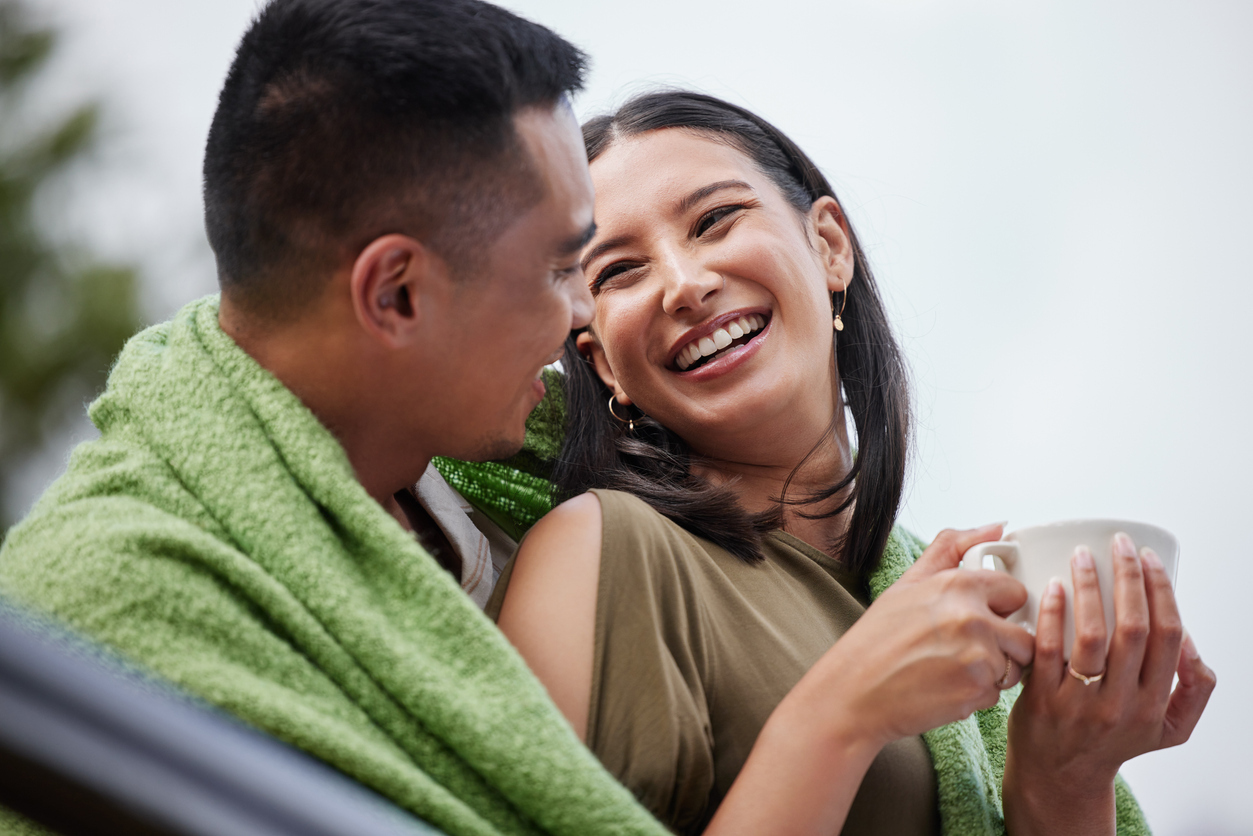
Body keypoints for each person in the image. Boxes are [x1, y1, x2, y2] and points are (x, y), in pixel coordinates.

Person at [0, 2, 678, 834]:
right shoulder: (92, 617)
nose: (581, 313)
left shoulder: (534, 489)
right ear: (395, 293)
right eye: (556, 267)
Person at [491, 91, 1217, 836]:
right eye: (617, 272)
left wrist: (1064, 780)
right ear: (602, 363)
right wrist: (844, 713)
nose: (684, 283)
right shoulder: (599, 549)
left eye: (713, 221)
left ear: (829, 246)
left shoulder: (943, 615)